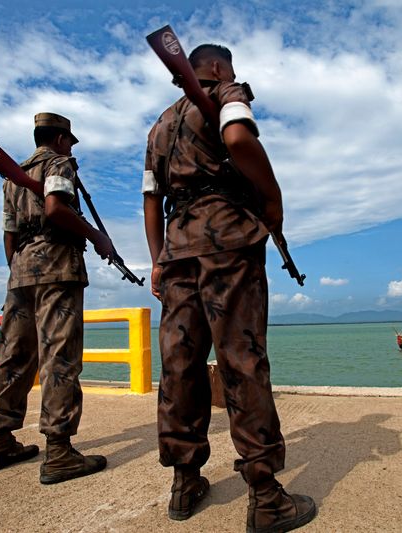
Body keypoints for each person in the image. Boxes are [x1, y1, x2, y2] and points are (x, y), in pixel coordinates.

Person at [143, 44, 317, 532]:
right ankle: (266, 496)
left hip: (177, 248)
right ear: (219, 68)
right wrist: (273, 198)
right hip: (227, 241)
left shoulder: (159, 126)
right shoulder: (226, 92)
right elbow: (238, 137)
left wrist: (157, 260)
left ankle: (184, 481)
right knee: (241, 358)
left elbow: (151, 199)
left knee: (180, 363)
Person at [0, 112, 114, 485]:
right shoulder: (59, 163)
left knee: (14, 355)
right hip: (58, 268)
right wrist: (97, 237)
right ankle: (59, 452)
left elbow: (9, 234)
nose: (70, 148)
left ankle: (0, 440)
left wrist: (18, 272)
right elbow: (56, 207)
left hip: (20, 272)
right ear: (59, 140)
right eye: (69, 141)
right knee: (60, 357)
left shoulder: (12, 177)